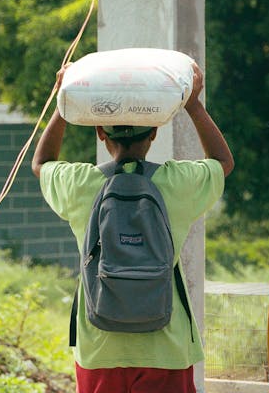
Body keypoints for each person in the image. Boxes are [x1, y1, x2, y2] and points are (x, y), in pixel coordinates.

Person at [32, 60, 234, 393]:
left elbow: (41, 164)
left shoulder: (80, 184)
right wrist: (193, 105)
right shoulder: (176, 182)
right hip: (166, 345)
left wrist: (62, 102)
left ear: (101, 132)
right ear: (154, 132)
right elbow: (223, 162)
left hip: (99, 347)